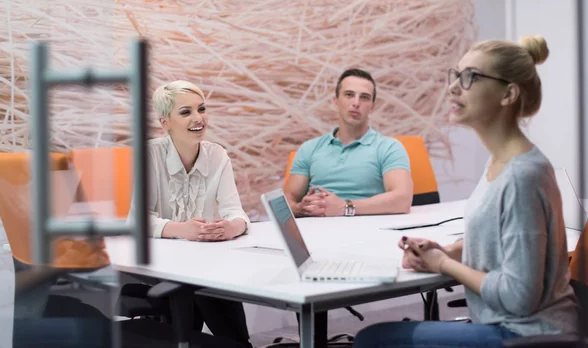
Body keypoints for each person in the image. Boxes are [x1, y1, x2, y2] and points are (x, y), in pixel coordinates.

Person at [353, 36, 580, 348]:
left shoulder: (522, 176)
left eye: (471, 77)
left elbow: (519, 296)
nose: (453, 88)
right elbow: (495, 242)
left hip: (526, 335)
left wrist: (443, 265)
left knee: (372, 341)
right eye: (456, 75)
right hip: (508, 325)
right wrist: (445, 251)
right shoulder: (501, 161)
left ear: (508, 94)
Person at [126, 80, 252, 347]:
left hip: (205, 264)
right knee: (190, 307)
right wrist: (184, 229)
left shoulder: (217, 155)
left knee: (218, 303)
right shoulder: (149, 154)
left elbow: (236, 212)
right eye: (186, 112)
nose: (199, 118)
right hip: (161, 265)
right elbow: (137, 220)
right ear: (165, 122)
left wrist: (231, 227)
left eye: (202, 109)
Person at [284, 68, 413, 217]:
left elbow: (403, 200)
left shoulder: (389, 147)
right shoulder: (309, 148)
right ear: (335, 101)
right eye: (349, 95)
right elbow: (287, 200)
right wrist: (301, 208)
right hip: (314, 232)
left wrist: (345, 207)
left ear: (372, 105)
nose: (356, 103)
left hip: (369, 232)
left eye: (364, 97)